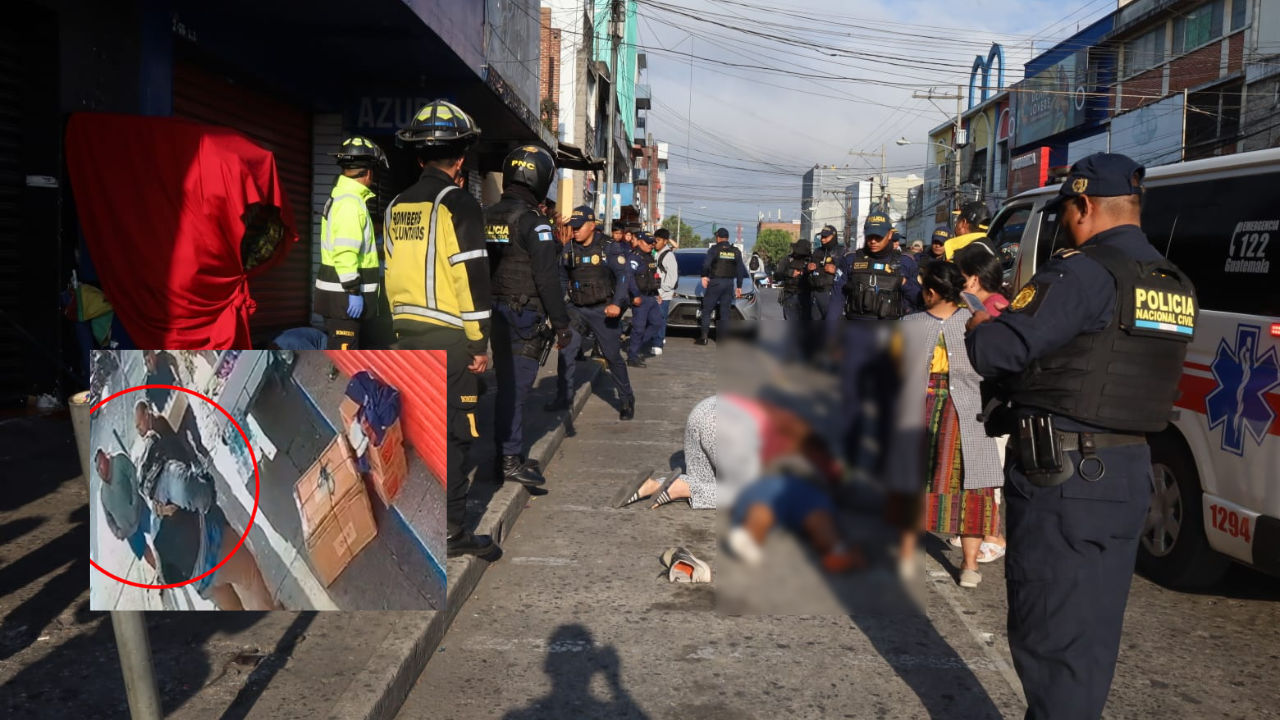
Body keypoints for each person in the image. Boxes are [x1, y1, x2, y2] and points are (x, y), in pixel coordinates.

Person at [965, 154, 1197, 719]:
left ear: (1084, 205)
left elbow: (999, 350)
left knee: (1051, 640)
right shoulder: (1172, 283)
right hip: (1126, 475)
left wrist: (979, 324)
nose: (1067, 222)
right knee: (1088, 641)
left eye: (1067, 210)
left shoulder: (1082, 273)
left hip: (1064, 480)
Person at [384, 99, 494, 558]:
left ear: (418, 158)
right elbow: (470, 277)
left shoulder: (394, 206)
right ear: (461, 159)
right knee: (456, 437)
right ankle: (452, 534)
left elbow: (388, 274)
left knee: (420, 430)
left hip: (406, 337)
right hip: (451, 340)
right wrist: (479, 342)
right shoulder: (458, 203)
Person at [897, 261, 1003, 586]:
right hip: (969, 416)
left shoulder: (908, 324)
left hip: (919, 413)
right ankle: (970, 565)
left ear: (929, 292)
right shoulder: (977, 324)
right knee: (971, 485)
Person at [133, 402, 279, 610]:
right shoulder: (170, 474)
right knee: (252, 578)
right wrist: (204, 478)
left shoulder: (154, 510)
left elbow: (168, 575)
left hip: (199, 581)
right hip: (214, 548)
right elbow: (203, 498)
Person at [486, 145, 572, 489]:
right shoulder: (535, 225)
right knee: (515, 390)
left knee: (505, 384)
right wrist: (562, 324)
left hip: (492, 312)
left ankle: (506, 453)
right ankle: (508, 459)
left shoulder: (486, 216)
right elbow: (547, 279)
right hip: (523, 318)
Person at [950, 242, 1012, 560]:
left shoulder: (995, 309)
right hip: (981, 404)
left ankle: (994, 535)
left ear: (973, 280)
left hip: (995, 406)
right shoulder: (982, 308)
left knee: (991, 470)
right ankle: (976, 528)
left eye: (960, 276)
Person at [555, 206, 636, 421]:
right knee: (566, 351)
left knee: (612, 356)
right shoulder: (568, 249)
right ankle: (563, 397)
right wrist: (557, 309)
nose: (574, 231)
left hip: (604, 310)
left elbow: (623, 276)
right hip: (577, 309)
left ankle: (627, 398)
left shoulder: (609, 247)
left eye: (578, 227)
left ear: (592, 226)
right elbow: (562, 279)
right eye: (571, 227)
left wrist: (617, 303)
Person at [313, 136, 388, 350]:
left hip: (342, 300)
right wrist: (353, 292)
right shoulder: (350, 204)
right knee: (345, 350)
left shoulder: (343, 198)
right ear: (369, 172)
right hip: (345, 301)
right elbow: (345, 252)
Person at [96, 448, 157, 574]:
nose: (100, 470)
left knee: (158, 532)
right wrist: (117, 532)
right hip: (129, 532)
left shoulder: (119, 461)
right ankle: (160, 573)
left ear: (106, 458)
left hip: (140, 512)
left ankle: (171, 563)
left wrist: (135, 501)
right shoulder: (103, 494)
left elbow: (133, 473)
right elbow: (108, 517)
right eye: (97, 469)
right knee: (145, 551)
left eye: (100, 465)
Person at [142, 351, 210, 460]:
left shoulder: (163, 357)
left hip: (179, 400)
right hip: (169, 413)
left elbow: (172, 360)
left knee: (192, 425)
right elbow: (148, 404)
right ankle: (194, 459)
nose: (153, 360)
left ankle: (200, 446)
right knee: (182, 438)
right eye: (149, 360)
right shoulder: (148, 384)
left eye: (153, 356)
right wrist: (157, 417)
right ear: (146, 363)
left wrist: (178, 378)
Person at [697, 228, 748, 345]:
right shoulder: (735, 251)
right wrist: (739, 286)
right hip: (729, 284)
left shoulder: (714, 250)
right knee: (725, 312)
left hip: (716, 282)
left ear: (718, 237)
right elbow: (740, 270)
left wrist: (704, 276)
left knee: (707, 310)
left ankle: (704, 337)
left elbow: (706, 264)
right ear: (728, 238)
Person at [626, 231, 663, 367]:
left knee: (657, 323)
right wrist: (635, 295)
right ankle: (632, 357)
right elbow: (629, 277)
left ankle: (635, 348)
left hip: (650, 296)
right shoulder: (634, 257)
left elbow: (653, 277)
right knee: (639, 328)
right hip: (640, 297)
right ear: (640, 242)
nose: (651, 245)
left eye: (652, 243)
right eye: (648, 243)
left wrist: (657, 292)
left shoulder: (649, 257)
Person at [807, 225, 844, 357]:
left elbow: (847, 274)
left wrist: (835, 270)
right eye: (821, 236)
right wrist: (808, 268)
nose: (823, 239)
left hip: (831, 294)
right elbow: (808, 273)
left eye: (826, 237)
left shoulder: (841, 252)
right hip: (815, 295)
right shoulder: (817, 252)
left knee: (832, 331)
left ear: (834, 236)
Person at [775, 237, 812, 362]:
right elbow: (777, 275)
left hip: (807, 297)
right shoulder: (788, 259)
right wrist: (789, 273)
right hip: (790, 295)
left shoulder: (811, 260)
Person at [653, 228, 678, 356]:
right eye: (655, 239)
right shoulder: (657, 253)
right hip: (657, 292)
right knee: (655, 318)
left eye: (658, 240)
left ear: (665, 241)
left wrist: (662, 291)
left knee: (660, 318)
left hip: (663, 294)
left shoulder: (669, 256)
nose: (655, 242)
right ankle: (657, 340)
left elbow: (672, 278)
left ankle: (658, 343)